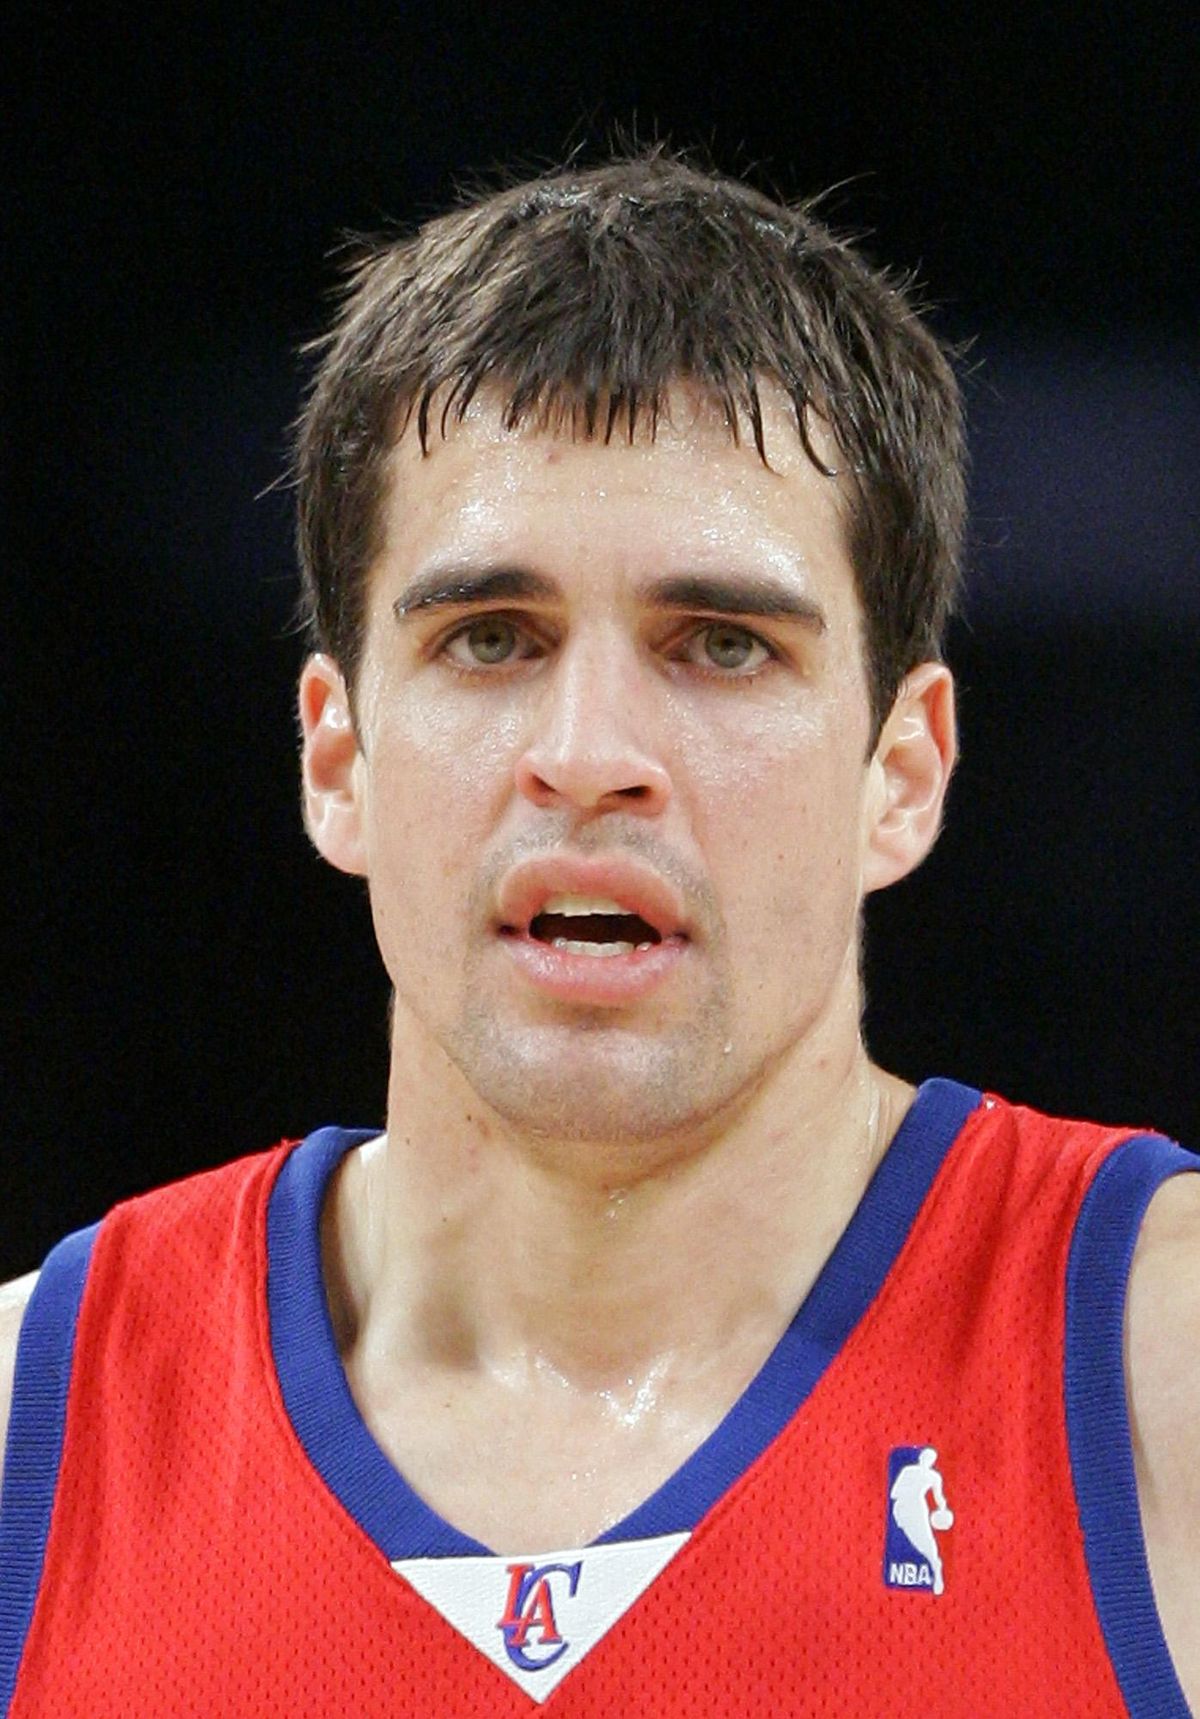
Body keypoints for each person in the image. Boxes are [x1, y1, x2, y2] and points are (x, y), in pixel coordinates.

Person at [0, 149, 1196, 1716]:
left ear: (901, 774)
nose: (588, 753)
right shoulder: (31, 1431)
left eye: (723, 646)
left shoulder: (1160, 1377)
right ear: (337, 758)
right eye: (491, 637)